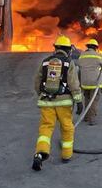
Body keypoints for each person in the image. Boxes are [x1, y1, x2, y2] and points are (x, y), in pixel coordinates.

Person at [32, 36, 82, 171]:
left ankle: (40, 153)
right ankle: (66, 155)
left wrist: (41, 95)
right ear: (68, 49)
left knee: (46, 128)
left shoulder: (45, 62)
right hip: (64, 102)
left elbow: (37, 81)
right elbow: (73, 83)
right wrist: (79, 100)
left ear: (56, 48)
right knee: (67, 127)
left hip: (46, 101)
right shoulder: (68, 63)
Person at [77, 38, 102, 125]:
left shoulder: (82, 55)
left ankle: (86, 117)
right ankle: (92, 119)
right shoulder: (98, 55)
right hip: (95, 82)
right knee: (94, 100)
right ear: (96, 47)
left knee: (87, 99)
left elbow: (79, 65)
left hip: (84, 82)